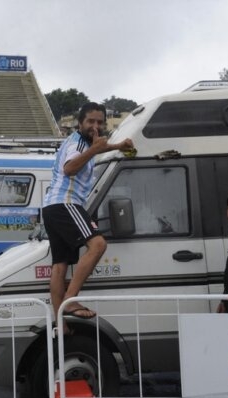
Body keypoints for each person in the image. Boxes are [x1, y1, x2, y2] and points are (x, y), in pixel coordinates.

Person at [42, 102, 134, 332]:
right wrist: (95, 149)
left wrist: (118, 145)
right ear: (79, 123)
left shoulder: (83, 142)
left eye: (100, 122)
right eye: (90, 121)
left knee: (60, 264)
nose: (95, 126)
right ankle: (70, 301)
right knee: (98, 244)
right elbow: (70, 168)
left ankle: (60, 323)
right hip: (66, 202)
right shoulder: (76, 143)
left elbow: (97, 148)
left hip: (52, 206)